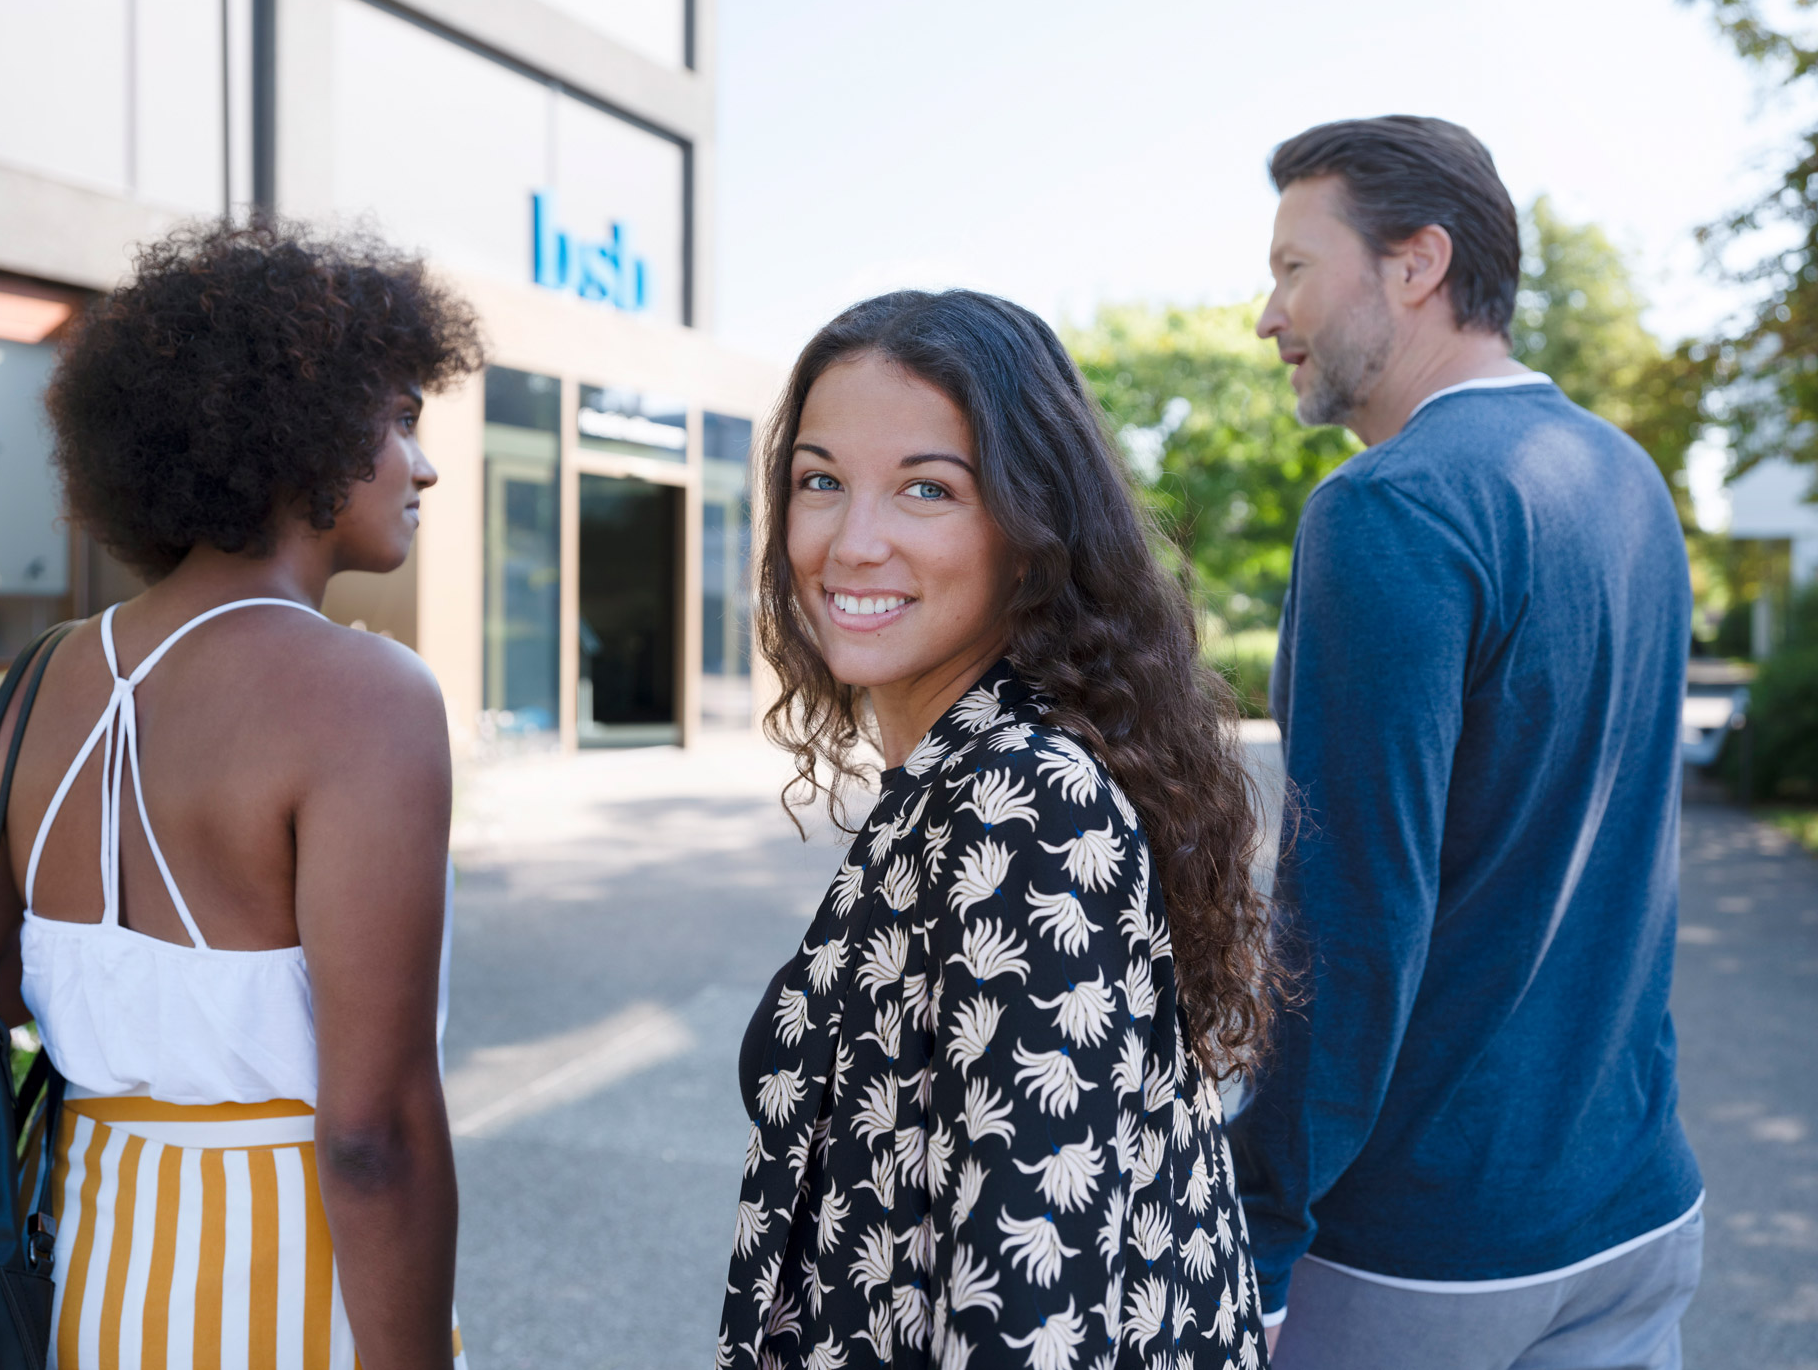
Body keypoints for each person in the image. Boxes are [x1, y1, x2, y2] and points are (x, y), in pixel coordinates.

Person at [0, 219, 484, 1368]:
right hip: (292, 1295)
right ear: (298, 430)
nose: (424, 465)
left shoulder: (42, 679)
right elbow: (371, 1137)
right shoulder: (368, 698)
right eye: (400, 420)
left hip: (72, 1280)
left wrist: (117, 1013)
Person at [719, 290, 1280, 1368]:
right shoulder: (962, 769)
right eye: (819, 481)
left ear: (1030, 531)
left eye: (926, 489)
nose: (852, 540)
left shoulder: (1020, 802)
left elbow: (1034, 1305)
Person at [1229, 117, 1704, 1369]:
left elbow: (1345, 921)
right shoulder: (1624, 478)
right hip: (1634, 1211)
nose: (1264, 314)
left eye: (1290, 267)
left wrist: (1257, 1222)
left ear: (1413, 264)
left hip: (1423, 1257)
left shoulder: (1388, 508)